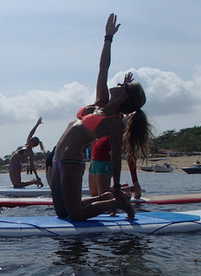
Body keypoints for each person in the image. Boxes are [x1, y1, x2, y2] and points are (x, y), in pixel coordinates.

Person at [49, 13, 152, 220]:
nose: (118, 84)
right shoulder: (100, 102)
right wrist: (108, 38)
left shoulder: (114, 123)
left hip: (71, 160)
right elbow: (102, 67)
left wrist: (115, 186)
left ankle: (117, 201)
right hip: (57, 159)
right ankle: (105, 197)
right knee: (62, 213)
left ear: (124, 96)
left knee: (76, 216)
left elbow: (115, 157)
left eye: (122, 86)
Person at [88, 72, 143, 199]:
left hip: (103, 156)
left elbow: (124, 153)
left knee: (103, 196)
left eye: (122, 87)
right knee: (94, 195)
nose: (118, 86)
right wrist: (124, 84)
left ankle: (126, 195)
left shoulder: (117, 119)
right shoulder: (107, 109)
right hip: (94, 156)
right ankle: (130, 189)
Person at [9, 117, 44, 188]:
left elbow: (32, 165)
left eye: (31, 139)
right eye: (30, 138)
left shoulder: (30, 152)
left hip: (16, 166)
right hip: (11, 165)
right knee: (16, 185)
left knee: (18, 184)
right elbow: (31, 132)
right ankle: (34, 181)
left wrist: (36, 176)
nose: (29, 138)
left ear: (33, 143)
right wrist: (37, 124)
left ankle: (35, 181)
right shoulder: (25, 145)